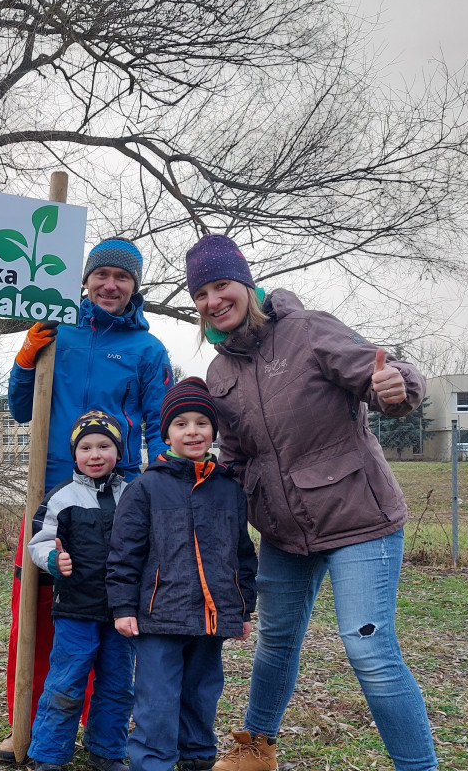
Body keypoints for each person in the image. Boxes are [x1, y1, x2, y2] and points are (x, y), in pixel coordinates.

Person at [183, 234, 437, 771]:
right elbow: (235, 453)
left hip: (359, 519)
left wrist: (398, 385)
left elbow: (380, 377)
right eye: (201, 292)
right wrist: (192, 478)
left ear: (246, 286)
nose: (212, 300)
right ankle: (257, 749)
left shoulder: (307, 331)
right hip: (282, 530)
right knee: (275, 642)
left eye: (221, 285)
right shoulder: (220, 373)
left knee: (368, 650)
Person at [0, 238, 174, 762]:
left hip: (118, 503)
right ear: (86, 280)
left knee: (107, 617)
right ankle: (23, 726)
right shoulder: (58, 333)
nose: (111, 286)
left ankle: (101, 734)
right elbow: (21, 408)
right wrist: (26, 360)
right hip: (52, 496)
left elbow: (161, 430)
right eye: (102, 275)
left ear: (135, 286)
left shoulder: (148, 350)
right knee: (33, 616)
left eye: (123, 278)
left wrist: (162, 490)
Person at [107, 377, 258, 771]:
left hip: (212, 617)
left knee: (201, 693)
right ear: (166, 433)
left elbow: (242, 554)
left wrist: (241, 610)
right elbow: (124, 553)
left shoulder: (228, 489)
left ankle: (197, 759)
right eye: (181, 423)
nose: (192, 431)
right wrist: (123, 607)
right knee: (156, 699)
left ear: (213, 430)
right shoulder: (145, 488)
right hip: (160, 616)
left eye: (201, 422)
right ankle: (153, 762)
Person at [25, 411, 135, 771]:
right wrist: (54, 559)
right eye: (86, 447)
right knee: (67, 681)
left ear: (119, 451)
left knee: (118, 684)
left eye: (104, 446)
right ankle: (49, 754)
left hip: (122, 612)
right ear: (74, 454)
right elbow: (38, 542)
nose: (95, 454)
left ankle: (106, 750)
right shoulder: (62, 497)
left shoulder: (134, 495)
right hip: (75, 608)